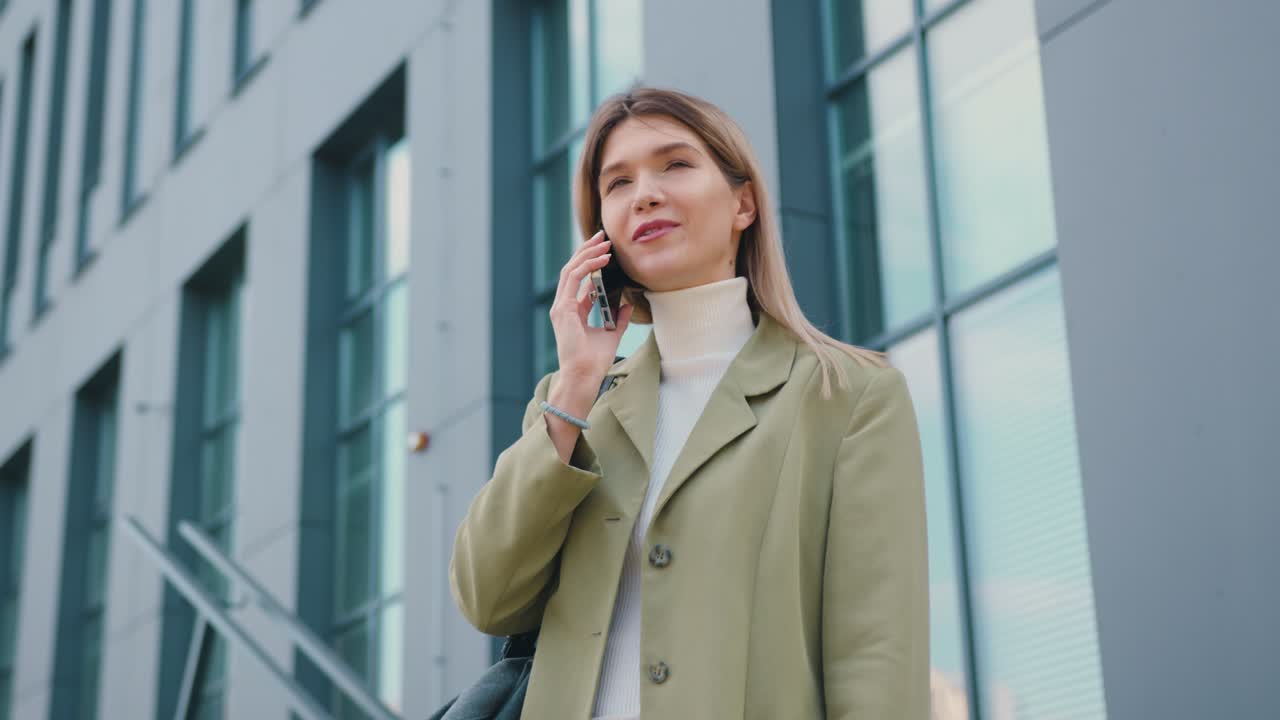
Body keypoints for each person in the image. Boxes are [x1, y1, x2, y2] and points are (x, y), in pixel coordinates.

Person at [450, 86, 929, 719]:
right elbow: (488, 598)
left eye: (675, 164)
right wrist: (574, 387)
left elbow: (875, 652)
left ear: (744, 202)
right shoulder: (574, 405)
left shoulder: (849, 393)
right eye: (616, 184)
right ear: (603, 232)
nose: (645, 192)